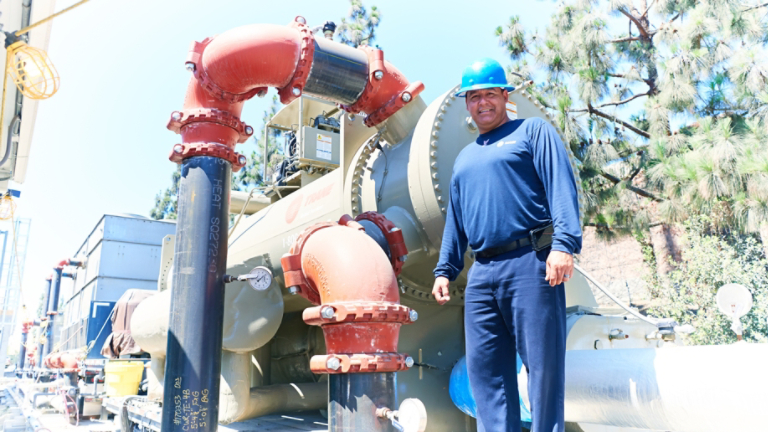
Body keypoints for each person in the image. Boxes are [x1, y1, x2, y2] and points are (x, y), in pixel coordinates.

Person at [433, 58, 582, 432]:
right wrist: (444, 269)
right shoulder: (464, 158)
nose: (482, 103)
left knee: (542, 368)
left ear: (504, 96)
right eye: (474, 97)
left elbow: (561, 187)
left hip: (530, 262)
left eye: (489, 94)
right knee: (486, 374)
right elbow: (456, 218)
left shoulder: (532, 132)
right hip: (482, 274)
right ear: (467, 104)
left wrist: (564, 245)